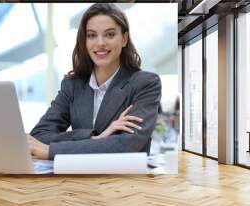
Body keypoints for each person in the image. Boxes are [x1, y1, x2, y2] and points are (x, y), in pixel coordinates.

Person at [27, 3, 161, 160]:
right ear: (85, 41)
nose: (100, 43)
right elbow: (39, 136)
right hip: (79, 179)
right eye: (91, 35)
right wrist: (94, 137)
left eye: (110, 35)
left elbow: (128, 144)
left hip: (125, 181)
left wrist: (52, 151)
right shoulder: (72, 85)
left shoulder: (145, 83)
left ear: (124, 39)